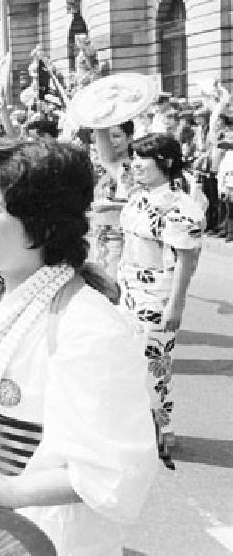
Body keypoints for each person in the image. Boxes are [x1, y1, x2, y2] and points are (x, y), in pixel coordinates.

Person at [0, 138, 157, 554]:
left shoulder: (87, 326)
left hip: (52, 533)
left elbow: (112, 472)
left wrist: (13, 489)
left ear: (43, 224)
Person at [118, 133, 204, 467]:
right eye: (134, 158)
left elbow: (185, 261)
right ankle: (141, 429)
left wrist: (175, 305)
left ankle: (157, 433)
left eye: (143, 159)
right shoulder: (139, 196)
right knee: (129, 362)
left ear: (165, 162)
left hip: (156, 293)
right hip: (129, 289)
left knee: (153, 367)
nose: (135, 165)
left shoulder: (181, 206)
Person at [90, 120, 136, 279]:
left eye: (116, 136)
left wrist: (112, 207)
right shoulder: (104, 167)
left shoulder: (133, 168)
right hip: (103, 234)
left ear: (130, 138)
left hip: (121, 236)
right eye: (106, 137)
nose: (110, 142)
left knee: (113, 285)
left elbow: (139, 204)